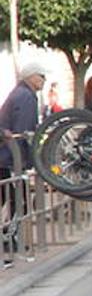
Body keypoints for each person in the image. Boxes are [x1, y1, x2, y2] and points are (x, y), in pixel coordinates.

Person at [0, 62, 45, 262]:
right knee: (20, 201)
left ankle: (9, 236)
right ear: (32, 77)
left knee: (11, 199)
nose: (44, 80)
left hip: (7, 156)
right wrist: (28, 160)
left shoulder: (19, 93)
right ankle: (10, 237)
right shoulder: (26, 97)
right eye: (41, 76)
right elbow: (24, 131)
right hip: (11, 159)